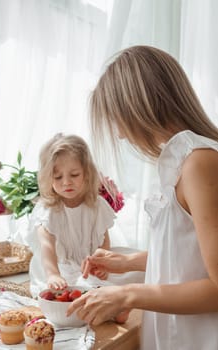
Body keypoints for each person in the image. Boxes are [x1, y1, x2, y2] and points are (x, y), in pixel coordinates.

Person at [67, 46, 218, 350]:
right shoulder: (183, 160)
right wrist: (127, 262)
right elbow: (194, 258)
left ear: (138, 107)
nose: (120, 135)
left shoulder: (199, 162)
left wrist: (128, 294)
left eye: (117, 119)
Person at [27, 133, 116, 298]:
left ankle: (114, 303)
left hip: (88, 264)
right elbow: (47, 248)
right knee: (78, 287)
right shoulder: (48, 210)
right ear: (48, 178)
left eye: (74, 175)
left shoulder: (96, 205)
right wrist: (53, 274)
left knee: (130, 274)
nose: (66, 182)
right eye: (58, 177)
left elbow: (104, 241)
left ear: (87, 173)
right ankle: (108, 303)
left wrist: (102, 264)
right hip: (58, 267)